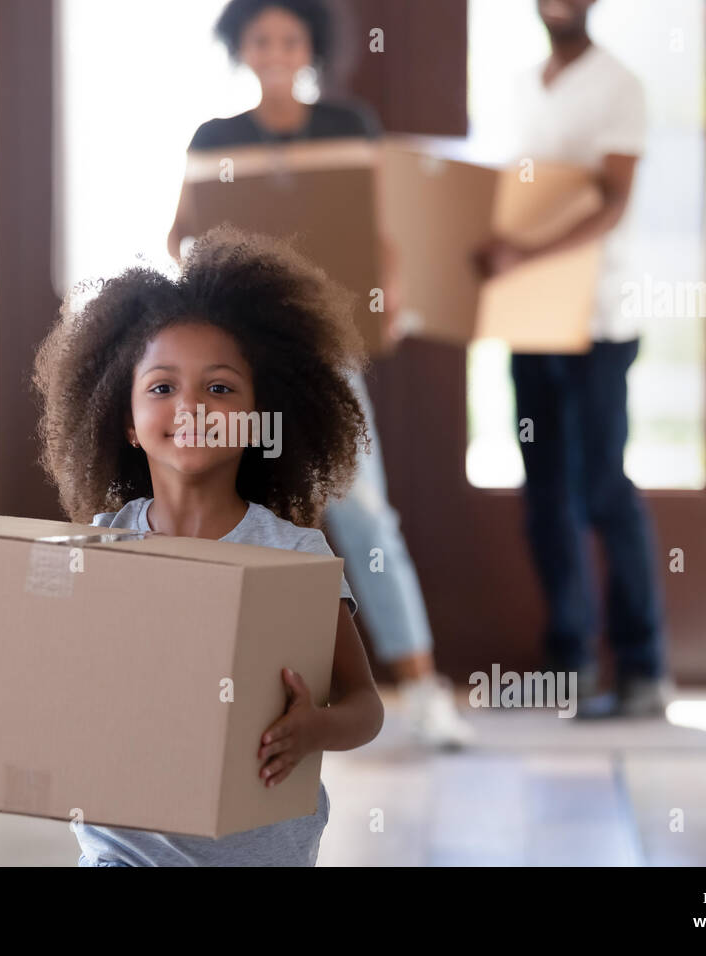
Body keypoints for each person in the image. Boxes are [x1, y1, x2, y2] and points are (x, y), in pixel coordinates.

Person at [168, 0, 474, 748]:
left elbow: (378, 235)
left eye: (289, 38)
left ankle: (419, 689)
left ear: (311, 48)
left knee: (365, 515)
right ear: (241, 47)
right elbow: (180, 237)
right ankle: (217, 689)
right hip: (239, 353)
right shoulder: (216, 139)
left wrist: (388, 292)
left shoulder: (347, 126)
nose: (275, 50)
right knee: (233, 511)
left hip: (327, 349)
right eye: (261, 38)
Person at [32, 225, 384, 865]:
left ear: (259, 417)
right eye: (162, 387)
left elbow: (366, 706)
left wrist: (316, 728)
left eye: (219, 388)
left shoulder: (294, 555)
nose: (190, 406)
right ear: (128, 423)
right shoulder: (99, 548)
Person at [475, 0, 673, 718]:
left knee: (601, 489)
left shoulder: (620, 86)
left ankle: (645, 666)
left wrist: (529, 252)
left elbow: (612, 201)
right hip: (532, 323)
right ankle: (570, 662)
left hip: (599, 323)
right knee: (545, 496)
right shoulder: (525, 84)